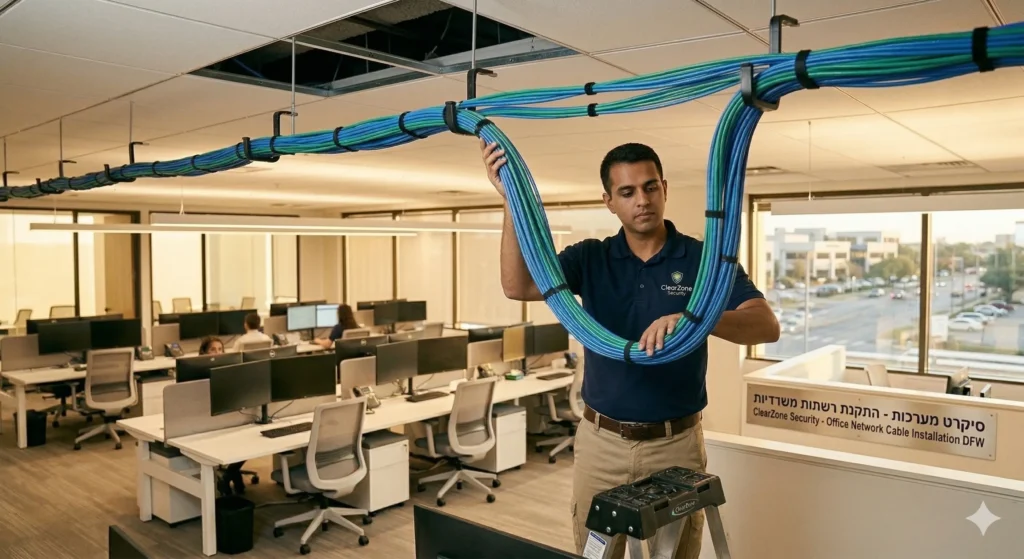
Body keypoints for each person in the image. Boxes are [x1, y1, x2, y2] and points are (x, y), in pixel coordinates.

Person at [480, 140, 779, 559]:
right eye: (628, 192)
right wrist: (512, 202)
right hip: (600, 441)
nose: (642, 200)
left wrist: (694, 317)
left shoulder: (703, 260)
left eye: (650, 187)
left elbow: (766, 325)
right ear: (609, 202)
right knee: (594, 551)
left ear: (665, 189)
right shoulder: (590, 258)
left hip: (674, 445)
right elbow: (519, 286)